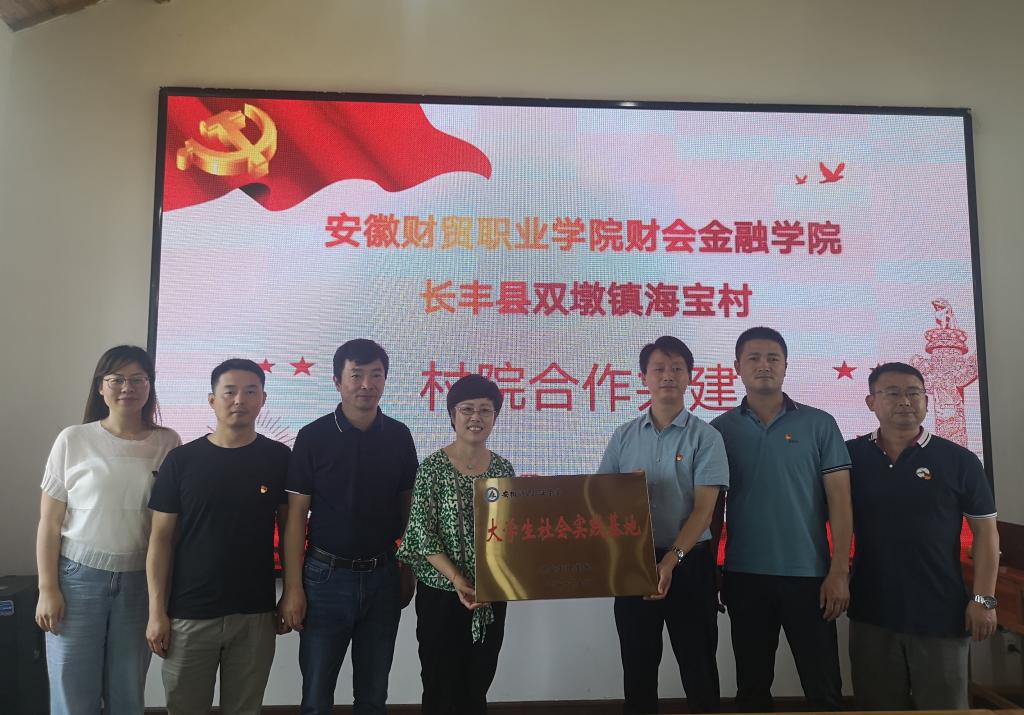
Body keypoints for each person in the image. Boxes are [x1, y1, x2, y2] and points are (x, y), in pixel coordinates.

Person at [710, 327, 852, 712]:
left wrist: (839, 571)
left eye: (773, 358)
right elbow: (712, 509)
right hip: (744, 576)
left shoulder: (819, 424)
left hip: (810, 576)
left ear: (786, 366)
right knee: (752, 689)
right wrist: (711, 569)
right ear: (737, 367)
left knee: (824, 688)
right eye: (753, 358)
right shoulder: (720, 430)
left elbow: (841, 502)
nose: (764, 365)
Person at [35, 345, 181, 715]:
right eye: (116, 379)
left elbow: (168, 528)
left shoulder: (168, 442)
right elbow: (49, 523)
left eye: (138, 379)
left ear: (149, 386)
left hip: (139, 583)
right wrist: (47, 589)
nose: (127, 387)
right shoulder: (74, 439)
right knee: (73, 692)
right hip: (77, 580)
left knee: (127, 692)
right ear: (101, 386)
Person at [846, 362, 999, 710]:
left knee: (944, 707)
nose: (905, 401)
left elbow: (987, 535)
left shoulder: (959, 460)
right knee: (877, 706)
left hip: (941, 613)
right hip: (872, 612)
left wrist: (984, 600)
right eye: (893, 392)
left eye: (914, 393)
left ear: (927, 402)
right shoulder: (851, 456)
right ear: (871, 402)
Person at [279, 338, 419, 715]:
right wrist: (293, 587)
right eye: (356, 375)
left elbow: (409, 511)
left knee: (373, 696)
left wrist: (407, 570)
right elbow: (296, 517)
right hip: (325, 578)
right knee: (316, 697)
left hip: (383, 576)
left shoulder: (399, 435)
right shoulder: (313, 436)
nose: (366, 385)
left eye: (376, 375)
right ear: (337, 381)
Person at [146, 358, 290, 715]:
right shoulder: (181, 461)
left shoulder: (279, 458)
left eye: (250, 391)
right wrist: (156, 612)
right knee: (184, 708)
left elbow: (291, 531)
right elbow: (160, 540)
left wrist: (291, 591)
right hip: (189, 613)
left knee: (245, 709)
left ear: (263, 399)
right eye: (230, 391)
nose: (240, 400)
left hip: (255, 612)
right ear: (212, 400)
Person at [598, 336, 729, 714]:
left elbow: (704, 512)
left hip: (689, 564)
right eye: (658, 368)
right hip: (634, 565)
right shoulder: (624, 436)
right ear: (644, 378)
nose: (668, 375)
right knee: (637, 666)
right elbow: (601, 499)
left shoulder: (707, 437)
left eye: (677, 368)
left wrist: (670, 562)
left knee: (698, 665)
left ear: (690, 377)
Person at [397, 374, 516, 715]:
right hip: (441, 594)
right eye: (467, 409)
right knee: (439, 684)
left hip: (489, 595)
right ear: (452, 414)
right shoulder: (432, 468)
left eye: (485, 410)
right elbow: (421, 532)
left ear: (495, 416)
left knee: (477, 684)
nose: (476, 417)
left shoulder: (503, 469)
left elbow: (510, 532)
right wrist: (457, 578)